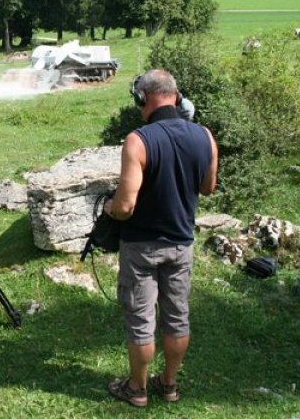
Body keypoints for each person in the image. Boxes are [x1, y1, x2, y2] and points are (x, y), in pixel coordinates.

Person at [104, 69, 218, 408]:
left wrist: (108, 206)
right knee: (177, 317)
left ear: (143, 99)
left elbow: (125, 207)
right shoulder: (205, 136)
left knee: (141, 321)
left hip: (141, 246)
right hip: (181, 244)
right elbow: (208, 187)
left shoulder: (138, 140)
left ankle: (136, 390)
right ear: (177, 97)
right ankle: (168, 384)